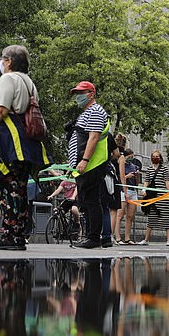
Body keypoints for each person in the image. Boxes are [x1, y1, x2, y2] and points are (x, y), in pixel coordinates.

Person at [0, 45, 50, 251]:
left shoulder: (8, 79)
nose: (1, 62)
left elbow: (1, 110)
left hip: (8, 140)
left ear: (10, 61)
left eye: (2, 58)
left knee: (6, 188)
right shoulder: (29, 83)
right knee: (19, 189)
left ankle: (9, 235)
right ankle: (17, 235)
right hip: (25, 141)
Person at [66, 81, 108, 249]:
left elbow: (93, 137)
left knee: (92, 201)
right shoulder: (86, 112)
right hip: (84, 165)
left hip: (91, 165)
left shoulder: (96, 111)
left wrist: (84, 160)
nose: (78, 96)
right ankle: (90, 236)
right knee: (85, 201)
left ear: (91, 94)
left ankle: (93, 237)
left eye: (81, 93)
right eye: (76, 93)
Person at [139, 149, 169, 245]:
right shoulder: (149, 169)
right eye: (153, 156)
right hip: (152, 196)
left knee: (165, 217)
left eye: (157, 156)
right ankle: (146, 239)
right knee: (151, 217)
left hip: (162, 196)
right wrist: (144, 190)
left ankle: (168, 239)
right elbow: (146, 181)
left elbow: (167, 181)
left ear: (160, 158)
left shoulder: (164, 169)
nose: (155, 158)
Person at [120, 148, 140, 244]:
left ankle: (127, 238)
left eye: (132, 157)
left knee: (130, 216)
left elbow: (137, 182)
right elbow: (120, 178)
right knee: (120, 214)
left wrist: (137, 176)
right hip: (124, 190)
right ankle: (117, 237)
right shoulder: (122, 164)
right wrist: (127, 176)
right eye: (129, 157)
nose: (131, 158)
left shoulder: (134, 166)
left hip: (133, 190)